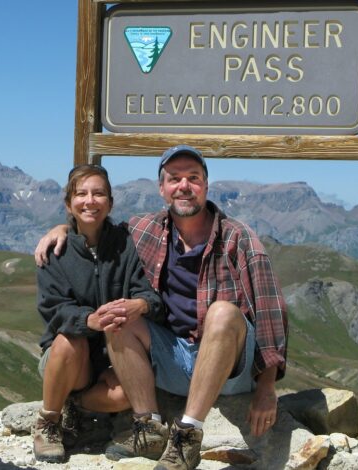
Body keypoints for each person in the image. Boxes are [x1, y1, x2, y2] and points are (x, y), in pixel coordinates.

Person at [35, 145, 288, 470]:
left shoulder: (238, 238)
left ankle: (187, 436)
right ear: (162, 189)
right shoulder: (144, 230)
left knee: (222, 312)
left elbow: (270, 310)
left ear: (206, 186)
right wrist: (63, 230)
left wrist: (267, 386)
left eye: (193, 178)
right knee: (120, 316)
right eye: (174, 179)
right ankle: (149, 429)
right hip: (172, 357)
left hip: (229, 365)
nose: (184, 186)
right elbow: (94, 225)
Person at [33, 164, 164, 463]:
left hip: (112, 358)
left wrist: (140, 305)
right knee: (71, 339)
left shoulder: (128, 243)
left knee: (125, 395)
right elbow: (53, 309)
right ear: (69, 204)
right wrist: (87, 321)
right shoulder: (55, 251)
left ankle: (73, 406)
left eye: (98, 193)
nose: (90, 200)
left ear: (110, 202)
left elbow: (150, 294)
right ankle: (48, 423)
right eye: (81, 194)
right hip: (66, 358)